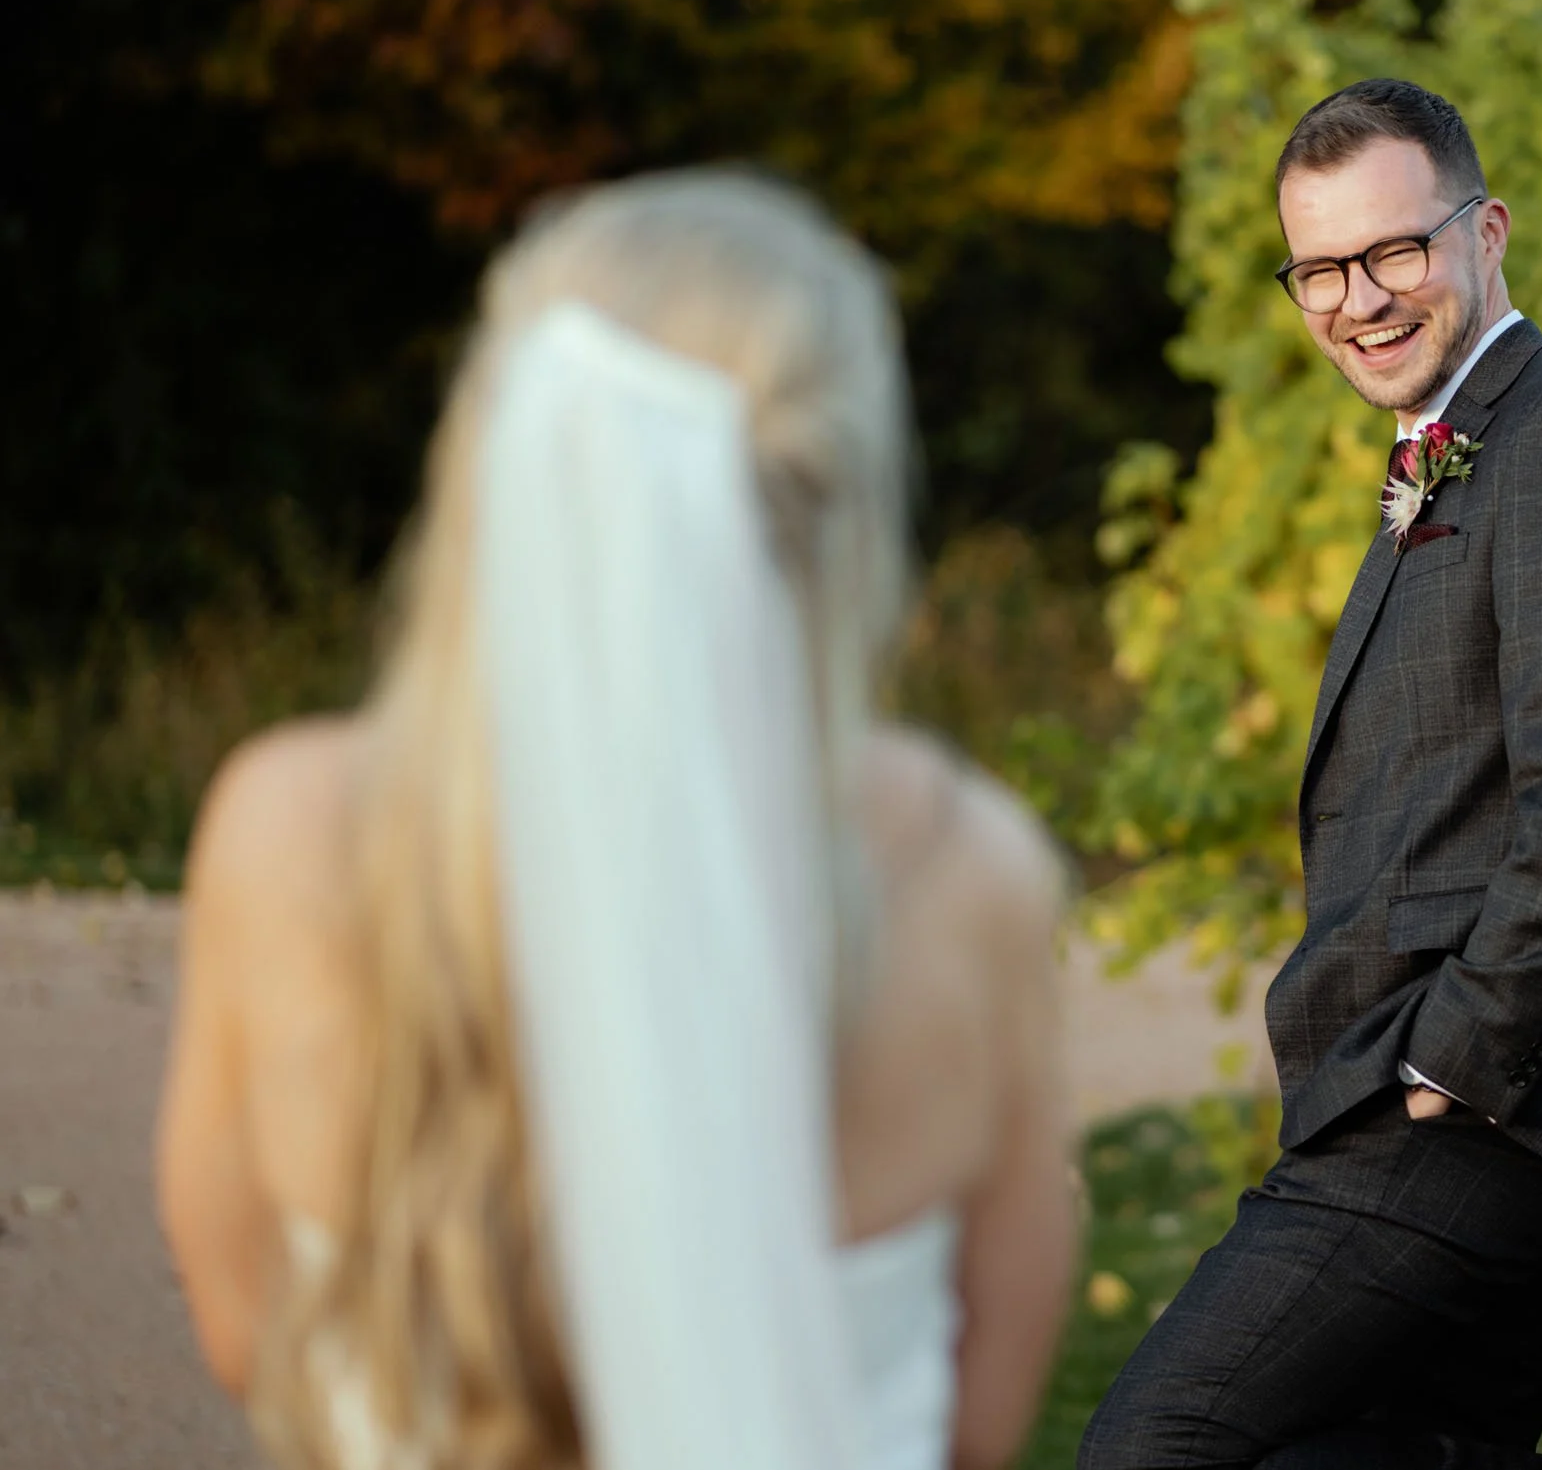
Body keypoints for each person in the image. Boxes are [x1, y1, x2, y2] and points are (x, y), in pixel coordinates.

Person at [155, 170, 1076, 1470]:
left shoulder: (289, 835)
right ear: (848, 504)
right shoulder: (971, 878)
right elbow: (977, 1428)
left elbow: (248, 1333)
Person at [1079, 80, 1542, 1470]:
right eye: (1320, 270)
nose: (1359, 301)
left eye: (1394, 251)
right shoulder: (1454, 447)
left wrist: (1457, 1056)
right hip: (1408, 1084)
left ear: (1485, 232)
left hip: (1478, 1104)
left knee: (1153, 1453)